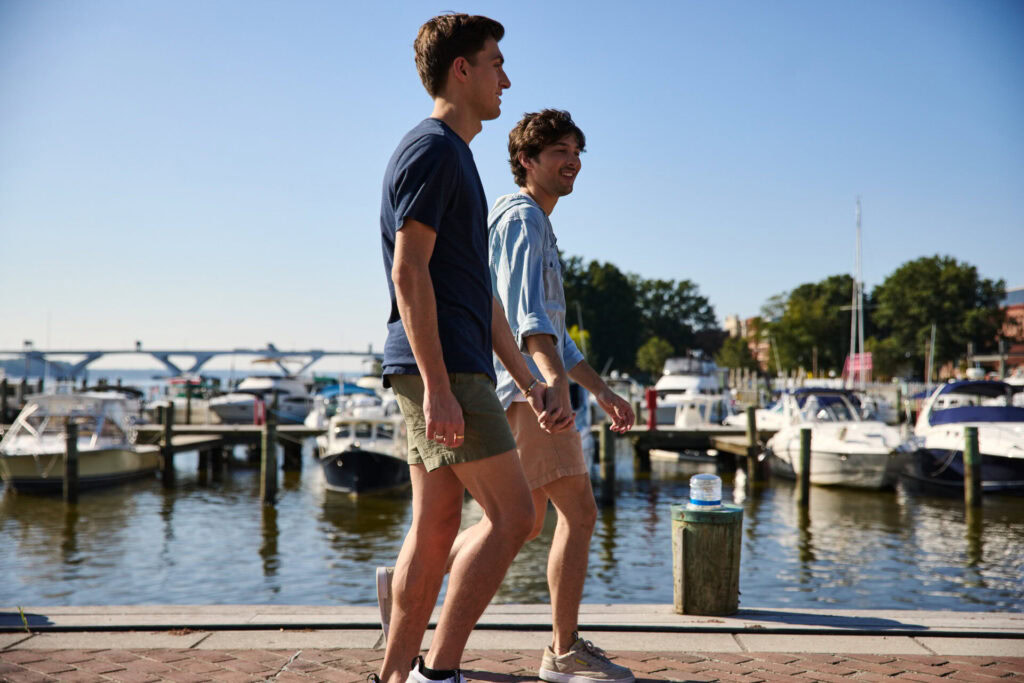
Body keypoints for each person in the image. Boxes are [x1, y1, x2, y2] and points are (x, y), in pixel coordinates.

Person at [375, 14, 555, 683]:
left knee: (436, 526)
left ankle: (396, 675)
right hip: (442, 364)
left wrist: (528, 381)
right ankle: (438, 670)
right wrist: (442, 385)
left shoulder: (456, 158)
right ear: (462, 69)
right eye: (495, 62)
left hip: (452, 360)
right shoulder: (432, 149)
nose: (505, 78)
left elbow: (481, 296)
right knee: (516, 516)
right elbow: (408, 269)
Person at [463, 109, 637, 683]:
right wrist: (550, 384)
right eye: (558, 151)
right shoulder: (522, 218)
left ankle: (407, 582)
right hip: (526, 394)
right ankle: (562, 653)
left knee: (518, 522)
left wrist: (603, 391)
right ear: (526, 161)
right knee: (579, 515)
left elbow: (557, 334)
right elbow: (525, 319)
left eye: (575, 151)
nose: (572, 161)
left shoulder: (534, 221)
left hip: (523, 390)